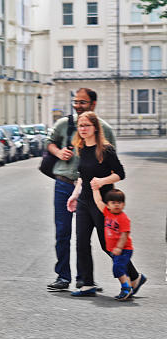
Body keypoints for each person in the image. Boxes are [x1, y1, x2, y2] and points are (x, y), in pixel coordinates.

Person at [65, 111, 144, 296]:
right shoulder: (81, 148)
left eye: (86, 125)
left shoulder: (105, 149)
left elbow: (120, 173)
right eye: (80, 126)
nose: (82, 129)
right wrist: (74, 195)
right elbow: (82, 178)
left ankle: (135, 277)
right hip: (84, 201)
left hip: (102, 203)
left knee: (107, 244)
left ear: (95, 128)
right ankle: (87, 284)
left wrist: (102, 181)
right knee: (81, 242)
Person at [45, 88, 116, 291]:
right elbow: (49, 142)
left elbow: (113, 165)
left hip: (90, 189)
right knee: (63, 232)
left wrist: (107, 194)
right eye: (76, 101)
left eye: (83, 102)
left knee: (91, 236)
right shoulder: (63, 124)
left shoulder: (105, 129)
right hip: (63, 184)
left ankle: (85, 279)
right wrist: (59, 152)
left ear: (93, 104)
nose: (78, 106)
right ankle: (63, 277)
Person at [91, 187, 147, 300]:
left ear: (124, 204)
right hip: (115, 250)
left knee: (118, 268)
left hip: (124, 249)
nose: (116, 205)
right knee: (120, 268)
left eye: (120, 203)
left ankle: (126, 288)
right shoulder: (107, 213)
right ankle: (129, 286)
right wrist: (95, 189)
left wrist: (118, 247)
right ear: (108, 205)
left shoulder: (123, 218)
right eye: (113, 203)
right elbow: (98, 201)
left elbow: (124, 235)